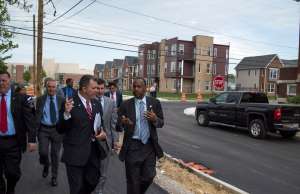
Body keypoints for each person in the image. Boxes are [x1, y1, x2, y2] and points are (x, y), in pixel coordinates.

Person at [57, 75, 106, 194]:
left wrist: (103, 133)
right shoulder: (69, 102)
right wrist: (67, 114)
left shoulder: (96, 104)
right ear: (84, 89)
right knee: (76, 188)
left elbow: (100, 124)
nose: (97, 90)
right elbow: (60, 129)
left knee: (93, 181)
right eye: (94, 88)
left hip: (93, 153)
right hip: (75, 153)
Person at [118, 77, 164, 194]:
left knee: (149, 176)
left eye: (138, 87)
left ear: (145, 88)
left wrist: (155, 119)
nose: (135, 89)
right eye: (134, 86)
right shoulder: (125, 105)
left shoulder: (154, 103)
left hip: (149, 147)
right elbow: (118, 125)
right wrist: (123, 123)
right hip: (132, 146)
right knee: (132, 181)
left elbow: (161, 123)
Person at [0, 71, 37, 194]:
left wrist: (32, 140)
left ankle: (10, 189)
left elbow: (30, 120)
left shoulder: (22, 99)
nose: (1, 83)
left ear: (9, 81)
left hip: (13, 142)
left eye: (3, 80)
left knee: (13, 173)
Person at [93, 78, 119, 194]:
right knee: (92, 170)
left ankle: (99, 191)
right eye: (97, 88)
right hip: (91, 142)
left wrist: (115, 141)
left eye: (102, 88)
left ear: (105, 89)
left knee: (103, 172)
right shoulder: (89, 101)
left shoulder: (111, 102)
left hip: (106, 142)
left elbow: (113, 125)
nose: (99, 91)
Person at [36, 78, 64, 187]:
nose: (51, 89)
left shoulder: (61, 99)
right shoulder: (40, 99)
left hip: (57, 130)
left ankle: (54, 176)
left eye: (53, 87)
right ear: (46, 87)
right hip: (44, 129)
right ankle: (46, 165)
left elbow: (65, 115)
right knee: (43, 152)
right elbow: (37, 115)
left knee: (55, 154)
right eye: (49, 87)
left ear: (56, 88)